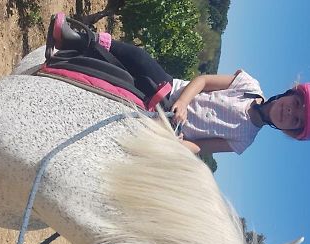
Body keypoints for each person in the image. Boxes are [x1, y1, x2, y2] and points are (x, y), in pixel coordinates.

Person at [50, 12, 310, 155]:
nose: (291, 112)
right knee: (138, 56)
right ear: (289, 93)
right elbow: (204, 80)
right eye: (297, 104)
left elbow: (202, 146)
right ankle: (77, 39)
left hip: (168, 128)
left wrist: (177, 144)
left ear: (288, 130)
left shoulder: (244, 141)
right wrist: (183, 102)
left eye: (296, 120)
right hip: (170, 91)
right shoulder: (248, 85)